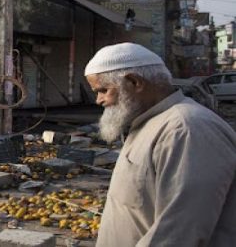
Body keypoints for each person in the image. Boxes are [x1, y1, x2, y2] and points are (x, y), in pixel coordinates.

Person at [84, 42, 236, 247]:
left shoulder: (186, 128)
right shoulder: (150, 123)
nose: (99, 100)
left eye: (103, 90)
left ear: (135, 82)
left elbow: (179, 233)